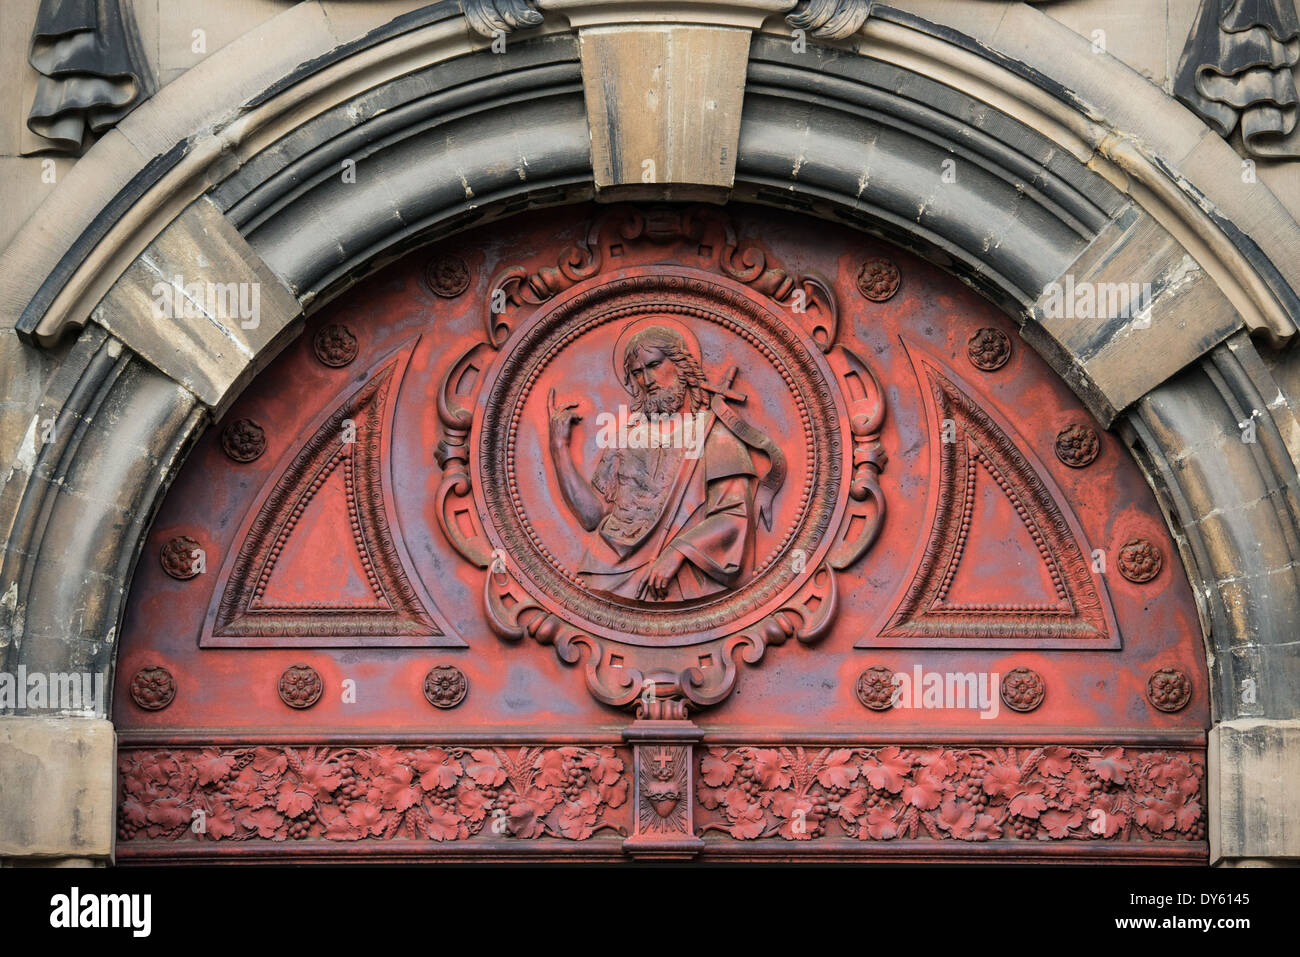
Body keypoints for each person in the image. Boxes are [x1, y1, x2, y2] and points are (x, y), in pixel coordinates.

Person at [547, 320, 780, 602]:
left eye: (654, 365)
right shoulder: (626, 437)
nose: (647, 380)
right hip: (605, 570)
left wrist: (677, 552)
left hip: (680, 578)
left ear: (681, 366)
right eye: (637, 373)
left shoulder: (713, 435)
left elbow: (733, 516)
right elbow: (592, 516)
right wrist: (559, 447)